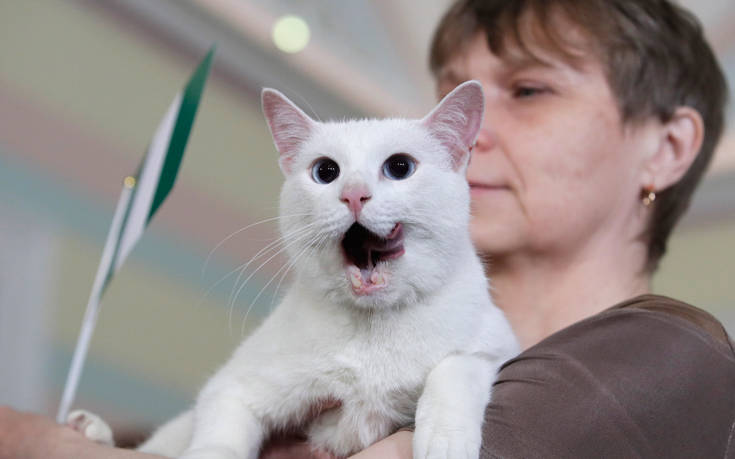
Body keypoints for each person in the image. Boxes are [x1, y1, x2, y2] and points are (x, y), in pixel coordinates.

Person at [0, 0, 732, 457]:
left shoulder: (673, 355)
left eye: (530, 89)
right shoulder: (340, 319)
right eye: (448, 90)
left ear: (667, 147)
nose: (471, 128)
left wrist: (43, 447)